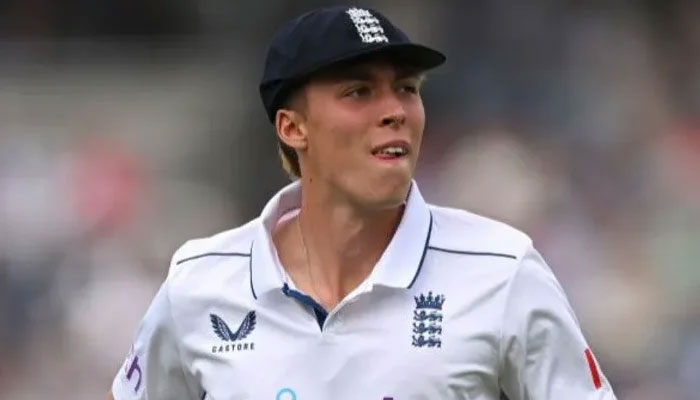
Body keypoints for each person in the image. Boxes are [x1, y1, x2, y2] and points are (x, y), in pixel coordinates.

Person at [109, 6, 617, 400]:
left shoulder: (502, 272)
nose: (395, 111)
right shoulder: (198, 283)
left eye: (406, 88)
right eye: (359, 92)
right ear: (293, 127)